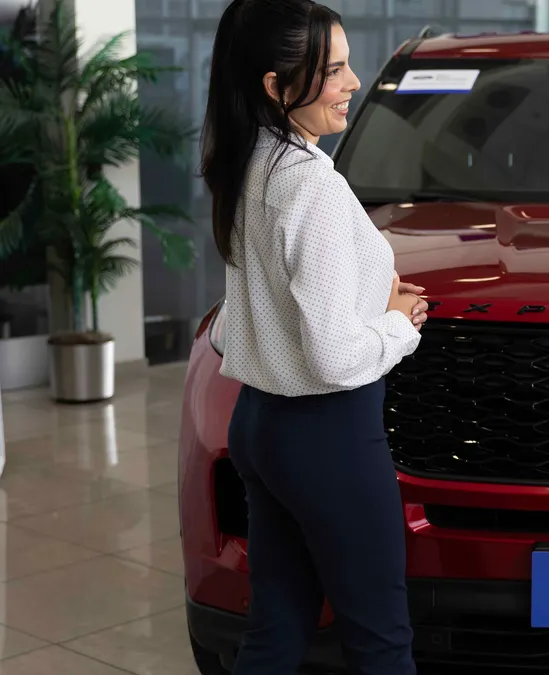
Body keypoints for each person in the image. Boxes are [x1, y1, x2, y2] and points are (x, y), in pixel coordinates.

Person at [199, 1, 427, 673]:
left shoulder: (249, 164)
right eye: (333, 70)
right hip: (328, 433)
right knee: (381, 639)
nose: (353, 81)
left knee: (276, 629)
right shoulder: (312, 187)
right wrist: (397, 326)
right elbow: (332, 355)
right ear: (277, 86)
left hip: (262, 425)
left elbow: (232, 326)